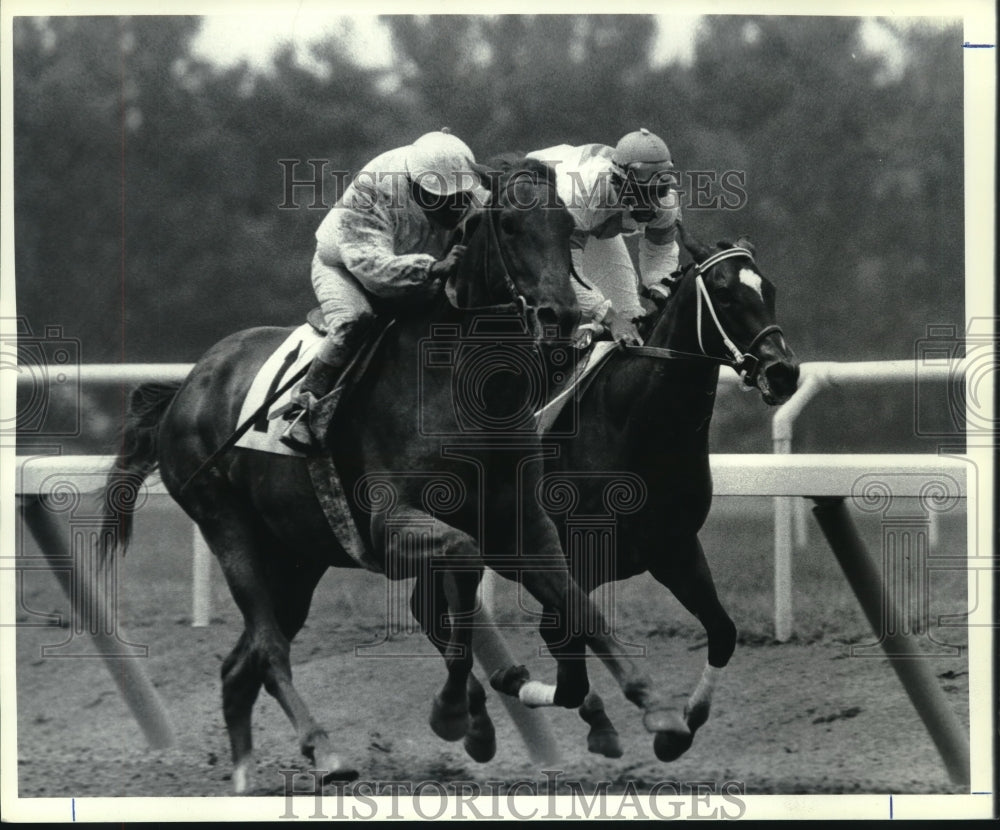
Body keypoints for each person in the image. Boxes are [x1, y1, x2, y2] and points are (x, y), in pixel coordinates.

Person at [280, 129, 485, 452]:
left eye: (460, 199)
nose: (455, 209)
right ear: (414, 186)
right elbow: (369, 267)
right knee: (354, 320)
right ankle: (306, 408)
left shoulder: (469, 191)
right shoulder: (374, 188)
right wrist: (432, 268)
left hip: (418, 272)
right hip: (347, 266)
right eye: (442, 201)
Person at [527, 128, 681, 347]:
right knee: (568, 319)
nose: (652, 204)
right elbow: (563, 271)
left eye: (659, 191)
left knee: (631, 317)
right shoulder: (577, 195)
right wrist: (609, 318)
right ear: (618, 182)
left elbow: (660, 254)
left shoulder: (666, 201)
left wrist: (659, 287)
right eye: (641, 193)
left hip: (593, 218)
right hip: (539, 209)